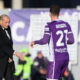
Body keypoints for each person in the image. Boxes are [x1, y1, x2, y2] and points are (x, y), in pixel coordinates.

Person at [30, 5, 74, 80]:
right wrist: (64, 42)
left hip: (55, 59)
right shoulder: (66, 24)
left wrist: (35, 42)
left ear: (49, 14)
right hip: (65, 58)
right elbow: (71, 40)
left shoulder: (49, 25)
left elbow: (44, 41)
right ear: (59, 14)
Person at [0, 14, 24, 80]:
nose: (7, 24)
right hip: (1, 60)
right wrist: (15, 53)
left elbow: (9, 44)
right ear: (0, 21)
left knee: (10, 78)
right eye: (6, 22)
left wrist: (10, 56)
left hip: (8, 60)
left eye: (9, 22)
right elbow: (2, 45)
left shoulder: (8, 28)